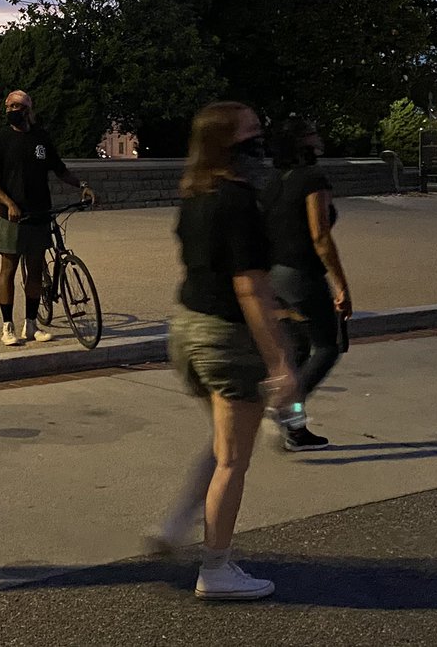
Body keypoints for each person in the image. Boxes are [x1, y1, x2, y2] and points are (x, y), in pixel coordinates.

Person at [152, 101, 299, 601]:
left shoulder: (195, 193)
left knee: (222, 444)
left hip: (188, 329)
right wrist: (281, 364)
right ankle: (215, 567)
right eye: (251, 131)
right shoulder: (237, 200)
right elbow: (250, 289)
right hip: (225, 337)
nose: (260, 138)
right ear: (228, 142)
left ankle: (176, 524)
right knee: (234, 458)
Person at [262, 118, 353, 451]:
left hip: (275, 275)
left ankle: (296, 430)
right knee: (327, 348)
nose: (320, 136)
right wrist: (341, 286)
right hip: (302, 275)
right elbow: (320, 236)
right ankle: (282, 406)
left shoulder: (274, 181)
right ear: (304, 143)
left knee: (299, 352)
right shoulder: (313, 178)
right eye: (314, 133)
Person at [0, 90, 95, 346]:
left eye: (17, 106)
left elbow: (60, 170)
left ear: (28, 109)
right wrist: (8, 202)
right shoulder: (1, 139)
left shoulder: (41, 139)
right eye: (9, 105)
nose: (12, 109)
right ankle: (7, 325)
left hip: (39, 212)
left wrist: (82, 186)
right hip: (12, 216)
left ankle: (31, 324)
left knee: (35, 269)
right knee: (8, 268)